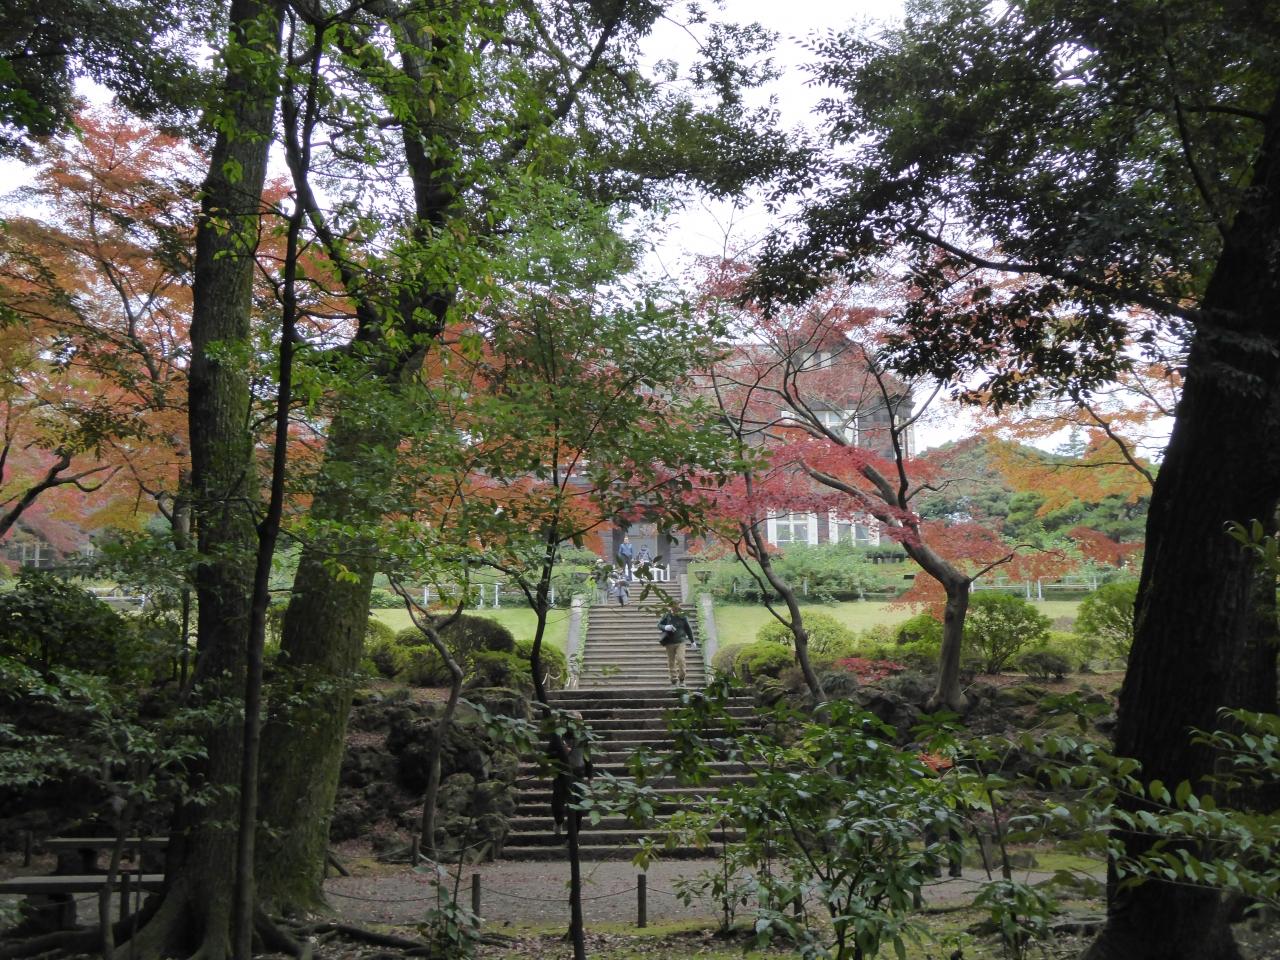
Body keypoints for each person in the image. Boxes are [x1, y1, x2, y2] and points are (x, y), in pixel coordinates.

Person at [550, 713, 593, 839]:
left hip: (578, 774)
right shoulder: (559, 736)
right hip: (561, 773)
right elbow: (548, 754)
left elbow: (587, 756)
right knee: (558, 803)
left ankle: (573, 836)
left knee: (579, 806)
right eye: (575, 721)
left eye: (580, 721)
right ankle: (559, 820)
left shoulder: (583, 737)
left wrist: (590, 775)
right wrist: (561, 752)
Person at [657, 607, 695, 686]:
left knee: (681, 659)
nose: (675, 609)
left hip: (680, 642)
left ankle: (682, 679)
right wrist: (665, 627)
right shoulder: (667, 615)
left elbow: (688, 628)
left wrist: (692, 641)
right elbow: (659, 625)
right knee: (671, 661)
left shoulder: (683, 616)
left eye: (677, 606)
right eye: (674, 607)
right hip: (669, 642)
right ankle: (673, 679)